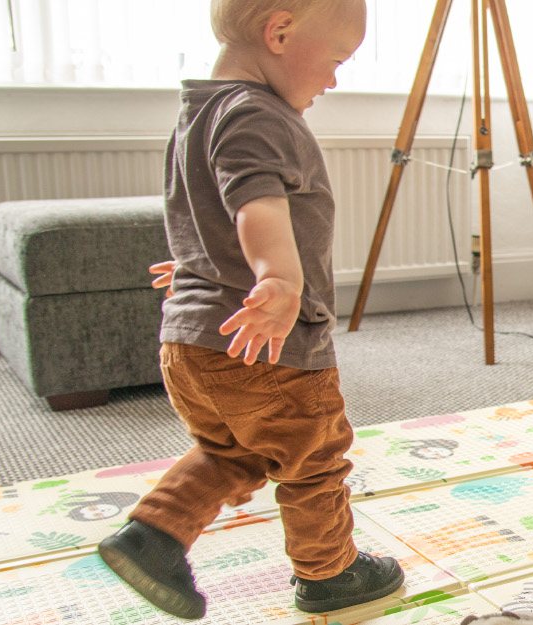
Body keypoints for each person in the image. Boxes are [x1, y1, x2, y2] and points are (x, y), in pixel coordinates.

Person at [96, 0, 403, 619]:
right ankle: (330, 575)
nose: (335, 79)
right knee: (313, 457)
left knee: (235, 451)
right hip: (267, 346)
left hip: (192, 342)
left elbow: (203, 208)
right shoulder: (257, 114)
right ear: (280, 31)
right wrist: (279, 278)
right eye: (337, 60)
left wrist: (196, 262)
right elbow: (254, 206)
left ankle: (153, 536)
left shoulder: (199, 111)